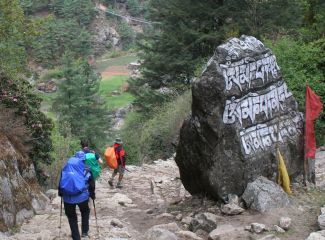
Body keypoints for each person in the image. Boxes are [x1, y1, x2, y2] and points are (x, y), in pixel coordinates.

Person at [58, 151, 95, 239]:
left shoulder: (66, 168)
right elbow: (92, 184)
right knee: (85, 212)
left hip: (67, 198)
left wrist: (61, 194)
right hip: (82, 197)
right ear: (84, 159)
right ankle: (85, 232)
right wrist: (92, 195)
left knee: (71, 217)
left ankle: (76, 237)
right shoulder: (86, 169)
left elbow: (61, 182)